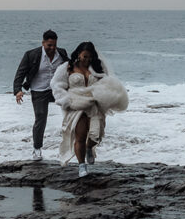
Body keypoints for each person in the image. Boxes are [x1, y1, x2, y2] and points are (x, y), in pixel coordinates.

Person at [50, 41, 129, 177]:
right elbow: (56, 85)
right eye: (84, 57)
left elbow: (107, 83)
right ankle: (82, 166)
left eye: (90, 57)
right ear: (79, 54)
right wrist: (65, 100)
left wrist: (106, 95)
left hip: (94, 104)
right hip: (76, 105)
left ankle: (89, 148)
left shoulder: (97, 68)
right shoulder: (67, 67)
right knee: (80, 136)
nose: (87, 60)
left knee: (96, 135)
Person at [13, 30, 68, 160]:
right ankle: (37, 149)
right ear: (43, 43)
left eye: (54, 45)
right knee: (41, 117)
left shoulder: (62, 53)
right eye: (49, 45)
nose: (52, 48)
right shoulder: (31, 55)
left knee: (74, 110)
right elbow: (20, 73)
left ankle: (74, 145)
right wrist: (18, 90)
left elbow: (71, 68)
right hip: (39, 90)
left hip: (57, 89)